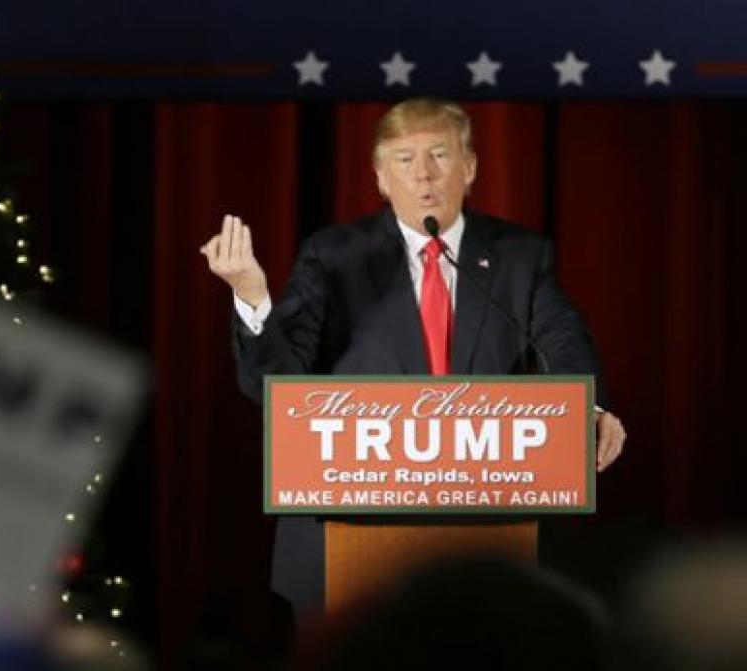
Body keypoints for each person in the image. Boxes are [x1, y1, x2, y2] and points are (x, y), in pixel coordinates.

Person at [200, 97, 627, 615]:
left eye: (439, 155)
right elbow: (277, 381)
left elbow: (562, 337)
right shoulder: (333, 256)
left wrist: (592, 407)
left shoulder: (521, 254)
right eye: (404, 159)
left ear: (469, 167)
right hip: (350, 537)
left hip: (484, 536)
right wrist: (252, 297)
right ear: (381, 178)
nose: (424, 174)